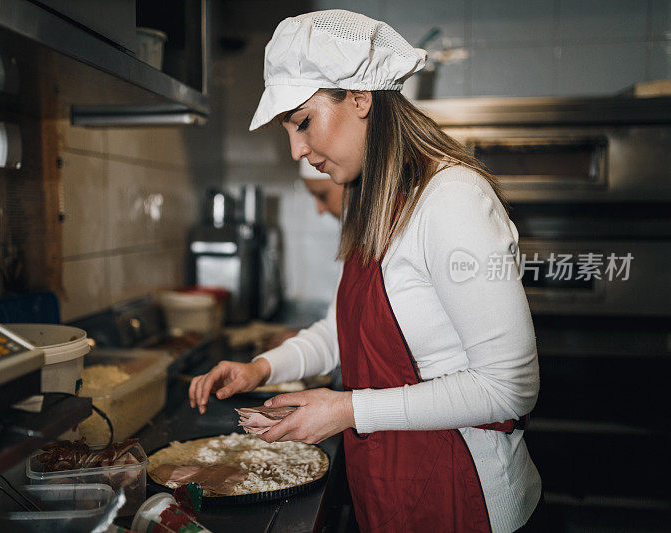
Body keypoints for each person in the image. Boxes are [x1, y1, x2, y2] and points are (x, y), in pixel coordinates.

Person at [189, 10, 541, 532]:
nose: (297, 149)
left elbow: (510, 387)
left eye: (303, 121)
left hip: (466, 494)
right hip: (393, 489)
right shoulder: (373, 202)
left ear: (360, 97)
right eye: (289, 130)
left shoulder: (452, 200)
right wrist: (260, 370)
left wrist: (347, 410)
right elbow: (344, 330)